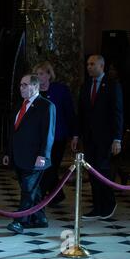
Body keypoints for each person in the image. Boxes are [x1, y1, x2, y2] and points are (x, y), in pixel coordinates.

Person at [71, 55, 124, 220]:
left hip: (106, 138)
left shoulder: (112, 85)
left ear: (101, 66)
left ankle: (108, 204)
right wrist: (76, 135)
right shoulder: (86, 85)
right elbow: (81, 113)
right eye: (87, 64)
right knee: (92, 172)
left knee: (103, 170)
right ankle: (97, 206)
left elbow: (117, 113)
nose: (88, 67)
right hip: (89, 138)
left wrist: (117, 139)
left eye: (92, 64)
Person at [2, 74, 56, 234]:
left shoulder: (46, 106)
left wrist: (43, 155)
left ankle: (20, 221)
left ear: (35, 86)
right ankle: (40, 218)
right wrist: (8, 152)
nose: (21, 88)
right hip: (19, 157)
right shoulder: (20, 105)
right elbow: (14, 132)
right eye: (20, 85)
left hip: (35, 158)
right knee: (33, 189)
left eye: (25, 85)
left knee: (28, 189)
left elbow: (48, 134)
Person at [33, 61, 75, 206]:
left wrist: (74, 134)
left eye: (42, 74)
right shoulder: (34, 90)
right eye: (37, 74)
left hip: (58, 137)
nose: (39, 77)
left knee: (51, 168)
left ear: (49, 75)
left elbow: (69, 112)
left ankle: (38, 199)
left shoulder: (60, 90)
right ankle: (57, 195)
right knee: (45, 169)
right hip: (39, 138)